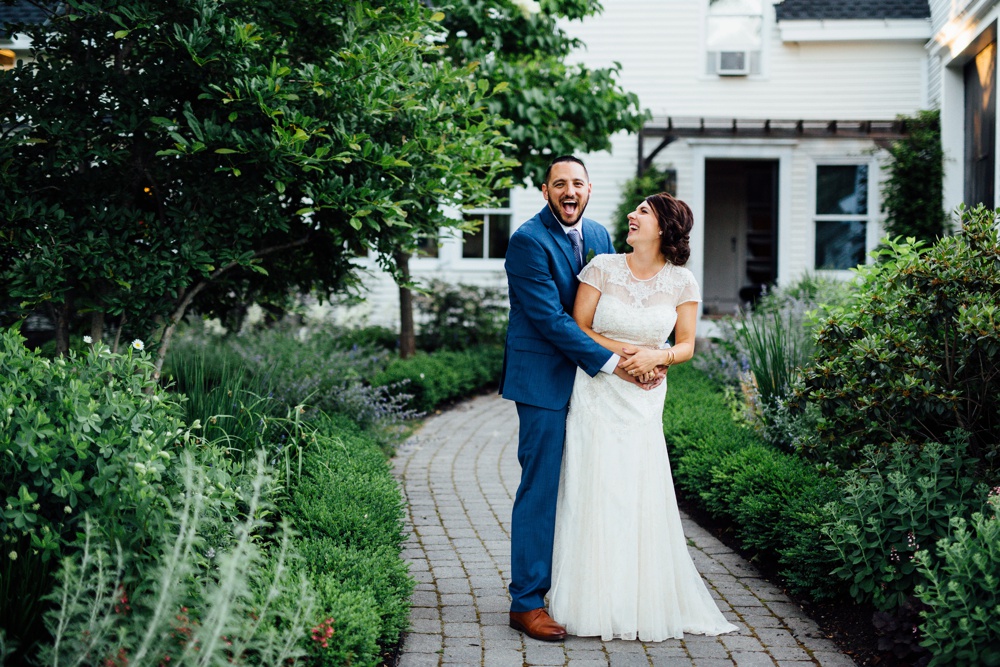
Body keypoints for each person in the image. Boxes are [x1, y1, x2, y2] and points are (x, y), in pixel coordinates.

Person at [548, 192, 739, 641]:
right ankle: (589, 601)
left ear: (663, 227)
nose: (632, 216)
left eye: (643, 212)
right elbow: (580, 326)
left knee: (636, 491)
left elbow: (688, 343)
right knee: (595, 487)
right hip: (599, 390)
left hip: (645, 397)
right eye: (635, 211)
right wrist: (628, 355)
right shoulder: (601, 268)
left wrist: (660, 355)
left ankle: (638, 599)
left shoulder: (682, 282)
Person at [500, 156, 659, 642]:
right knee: (542, 486)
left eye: (578, 184)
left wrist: (648, 352)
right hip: (544, 381)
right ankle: (525, 602)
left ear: (589, 190)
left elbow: (609, 306)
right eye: (560, 184)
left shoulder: (599, 237)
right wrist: (619, 364)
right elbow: (552, 320)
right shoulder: (528, 241)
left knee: (588, 484)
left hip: (592, 386)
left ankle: (575, 585)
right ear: (546, 191)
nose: (570, 192)